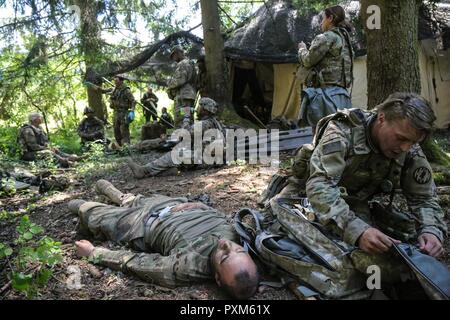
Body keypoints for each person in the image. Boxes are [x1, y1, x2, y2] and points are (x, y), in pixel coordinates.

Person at [270, 92, 447, 290]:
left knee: (400, 240)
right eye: (401, 138)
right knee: (291, 234)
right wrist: (357, 230)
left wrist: (431, 230)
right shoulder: (341, 131)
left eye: (413, 142)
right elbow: (320, 187)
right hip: (302, 197)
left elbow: (423, 197)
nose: (405, 148)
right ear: (382, 118)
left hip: (351, 202)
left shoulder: (409, 148)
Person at [69, 179, 259, 299]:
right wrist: (199, 205)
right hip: (170, 204)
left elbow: (135, 262)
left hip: (139, 223)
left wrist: (95, 253)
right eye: (238, 250)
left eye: (224, 256)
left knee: (84, 208)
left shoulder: (185, 266)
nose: (226, 245)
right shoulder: (243, 237)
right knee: (120, 193)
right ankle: (119, 196)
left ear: (217, 278)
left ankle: (94, 204)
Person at [126, 97, 224, 178]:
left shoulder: (205, 124)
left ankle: (143, 171)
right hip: (211, 159)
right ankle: (170, 171)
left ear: (204, 110)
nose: (197, 109)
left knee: (176, 154)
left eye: (199, 106)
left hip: (206, 160)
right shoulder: (214, 122)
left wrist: (186, 117)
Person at [297, 5, 354, 131]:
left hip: (325, 98)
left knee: (321, 136)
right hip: (342, 96)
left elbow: (307, 60)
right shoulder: (345, 40)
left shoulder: (327, 37)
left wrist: (302, 49)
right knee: (339, 135)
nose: (321, 22)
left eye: (323, 19)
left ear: (330, 18)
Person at [17, 112, 82, 167]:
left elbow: (45, 141)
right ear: (34, 120)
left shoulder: (39, 128)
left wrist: (50, 147)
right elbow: (33, 146)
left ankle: (73, 158)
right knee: (48, 152)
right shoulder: (28, 130)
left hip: (38, 151)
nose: (41, 118)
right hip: (28, 154)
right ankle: (66, 162)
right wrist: (47, 148)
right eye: (39, 117)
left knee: (55, 150)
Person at [97, 74, 136, 146]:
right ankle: (120, 146)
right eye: (114, 79)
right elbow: (103, 90)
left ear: (121, 80)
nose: (115, 80)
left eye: (116, 79)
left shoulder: (126, 90)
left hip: (124, 112)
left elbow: (133, 101)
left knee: (124, 130)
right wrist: (94, 86)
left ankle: (127, 146)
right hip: (116, 112)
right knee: (116, 130)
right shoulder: (114, 89)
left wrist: (132, 111)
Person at [167, 46, 198, 129]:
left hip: (183, 97)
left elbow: (180, 80)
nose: (173, 58)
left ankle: (182, 139)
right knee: (187, 119)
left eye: (173, 55)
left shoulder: (182, 64)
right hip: (188, 96)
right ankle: (189, 139)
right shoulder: (191, 63)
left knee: (181, 120)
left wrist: (169, 84)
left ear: (177, 53)